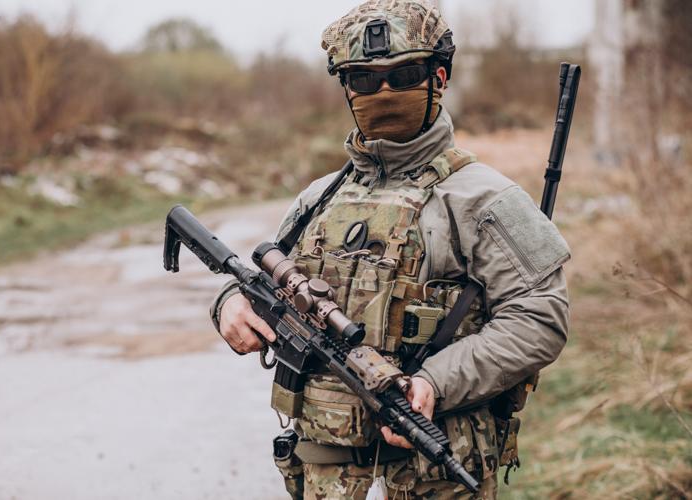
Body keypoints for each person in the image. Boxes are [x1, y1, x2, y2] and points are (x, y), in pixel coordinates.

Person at [209, 1, 570, 498]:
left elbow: (540, 318)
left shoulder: (486, 199)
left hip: (435, 475)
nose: (383, 91)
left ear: (438, 77)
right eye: (363, 79)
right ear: (345, 88)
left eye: (404, 75)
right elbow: (265, 282)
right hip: (322, 475)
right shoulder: (319, 197)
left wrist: (435, 383)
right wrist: (228, 304)